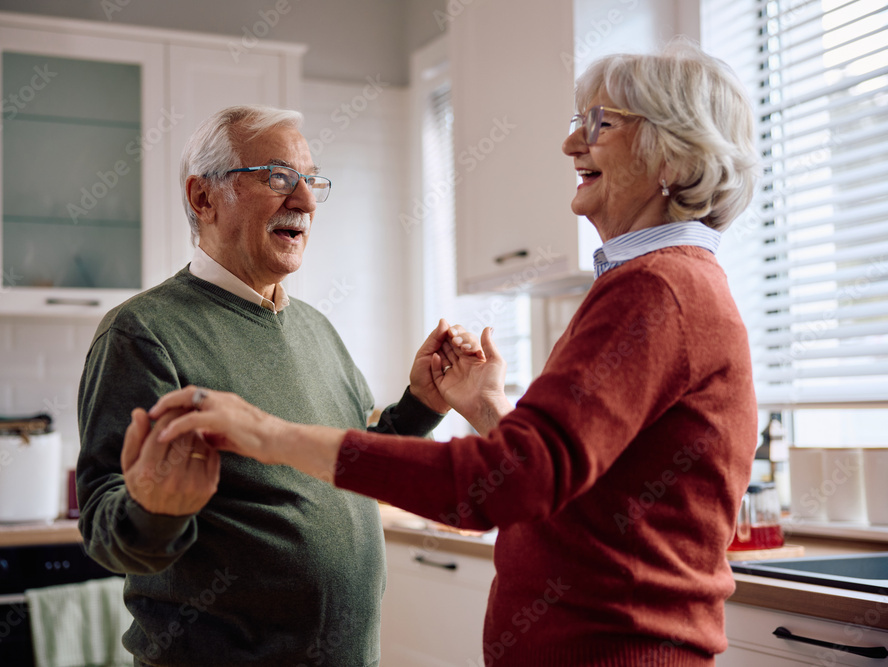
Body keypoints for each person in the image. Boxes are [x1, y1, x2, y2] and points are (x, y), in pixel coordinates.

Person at [146, 43, 761, 666]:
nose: (573, 145)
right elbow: (571, 487)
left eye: (601, 125)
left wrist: (263, 433)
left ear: (673, 153)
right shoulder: (655, 283)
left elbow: (507, 483)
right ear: (203, 198)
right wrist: (491, 410)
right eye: (579, 123)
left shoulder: (658, 288)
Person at [76, 105, 482, 667]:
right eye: (278, 177)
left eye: (312, 180)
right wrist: (155, 511)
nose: (307, 202)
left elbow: (345, 462)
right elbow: (103, 527)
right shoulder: (142, 332)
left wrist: (419, 406)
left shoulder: (317, 327)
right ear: (203, 198)